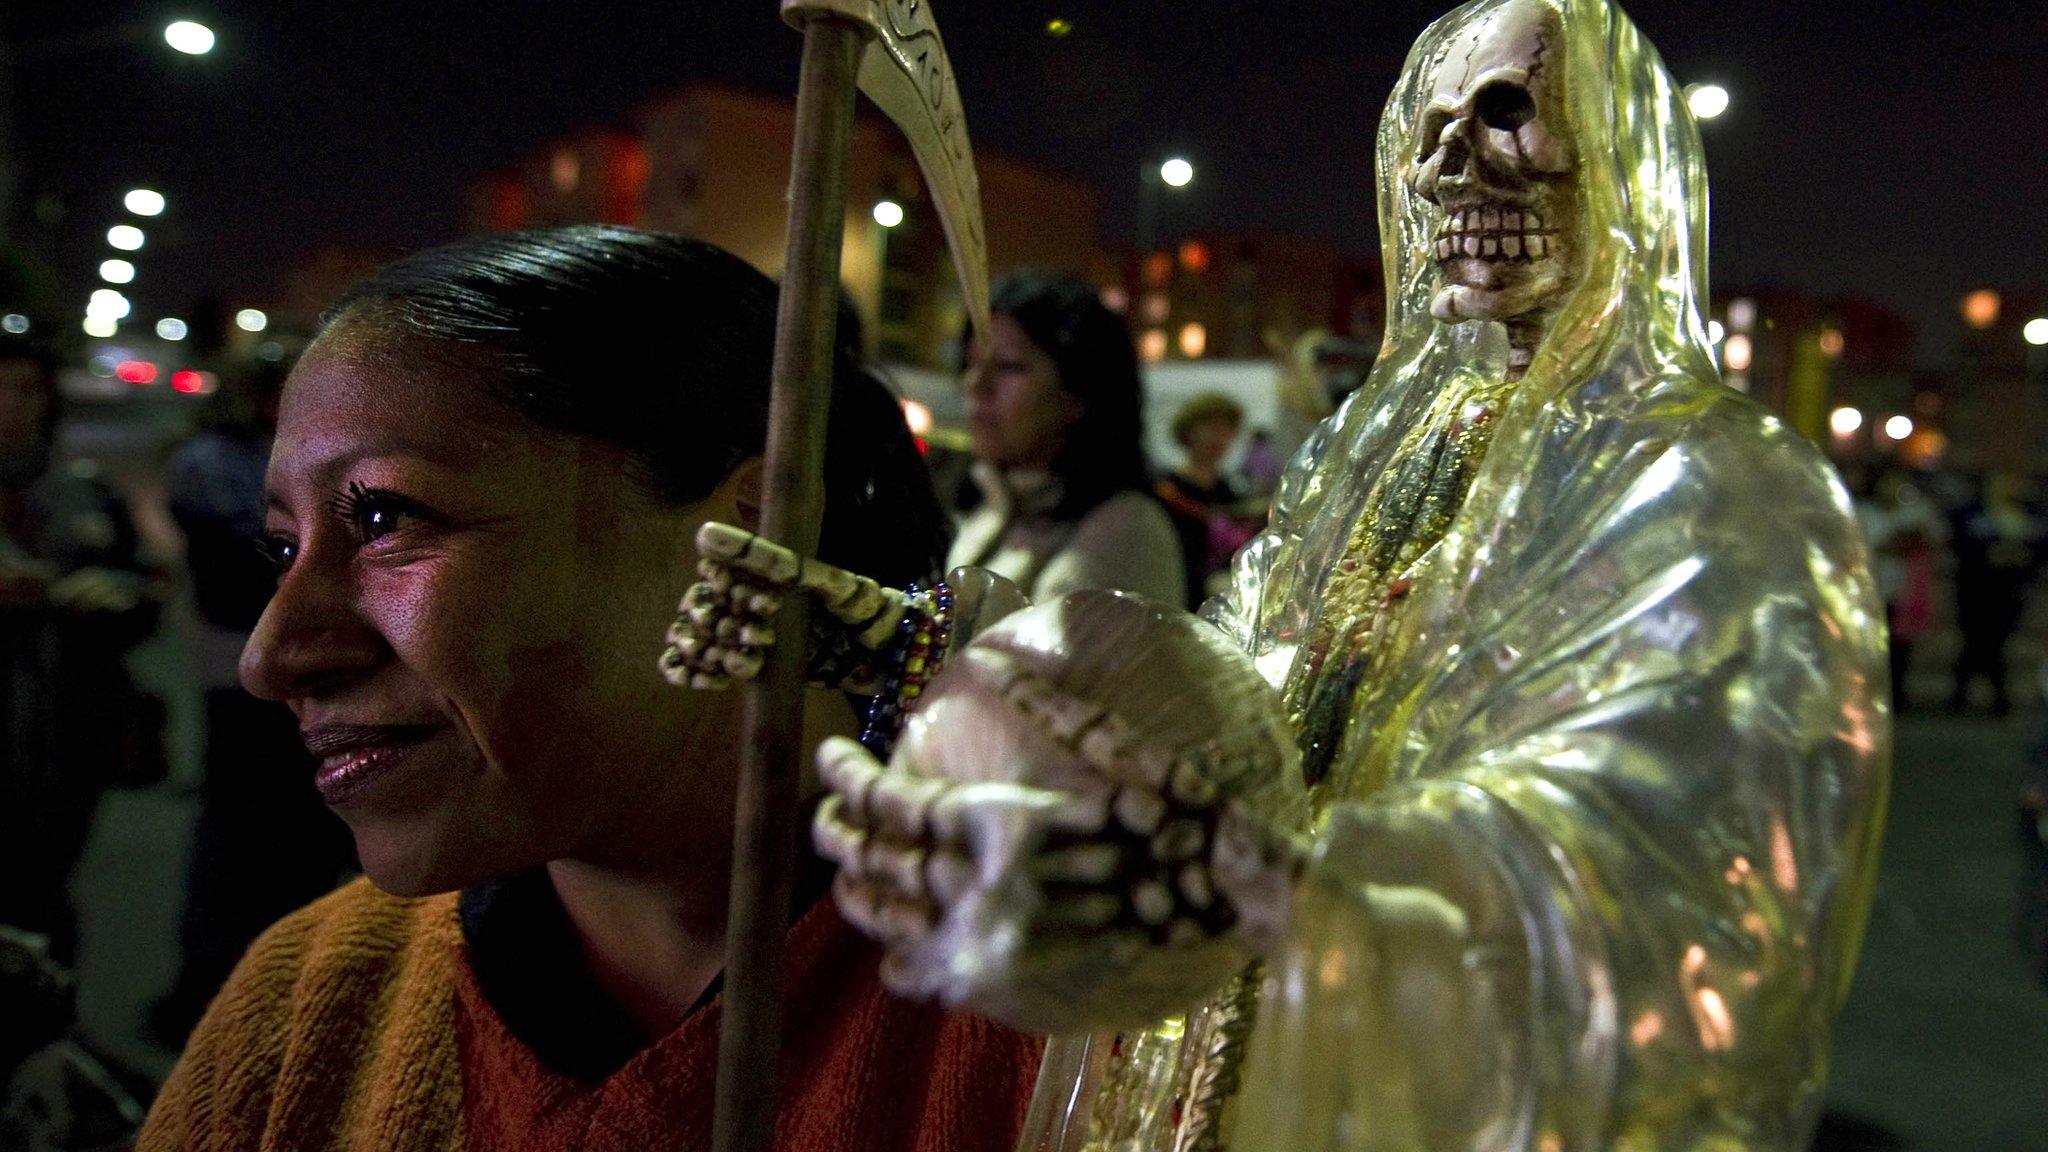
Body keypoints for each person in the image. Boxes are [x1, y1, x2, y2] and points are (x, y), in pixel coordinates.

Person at [814, 1, 1888, 1148]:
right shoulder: (1376, 446)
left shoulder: (1711, 479)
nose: (1446, 171)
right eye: (1426, 134)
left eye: (1508, 115)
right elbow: (1227, 691)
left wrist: (1296, 882)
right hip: (1215, 1071)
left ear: (1626, 162)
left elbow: (1653, 838)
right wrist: (948, 649)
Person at [138, 227, 1040, 1152]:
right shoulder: (309, 1008)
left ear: (762, 520)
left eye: (384, 517)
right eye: (283, 551)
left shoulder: (1092, 1016)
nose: (273, 656)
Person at [151, 356, 357, 1045]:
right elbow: (250, 556)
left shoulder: (278, 456)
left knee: (297, 838)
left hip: (291, 672)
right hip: (240, 674)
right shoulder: (215, 461)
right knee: (240, 842)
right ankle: (212, 1002)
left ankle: (273, 999)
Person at [0, 333, 158, 965]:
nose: (12, 405)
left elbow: (144, 596)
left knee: (45, 895)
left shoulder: (83, 491)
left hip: (66, 736)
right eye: (1, 388)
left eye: (26, 390)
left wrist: (109, 596)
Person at [949, 271, 1184, 606]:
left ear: (1078, 393)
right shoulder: (990, 507)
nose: (976, 385)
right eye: (970, 364)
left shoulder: (1127, 532)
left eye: (1008, 366)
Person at [1154, 392, 1262, 610]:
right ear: (1189, 431)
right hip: (1175, 599)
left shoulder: (1230, 492)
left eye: (1228, 430)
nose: (1220, 438)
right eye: (1212, 428)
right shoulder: (1165, 490)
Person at [1950, 472, 2043, 716]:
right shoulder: (1972, 514)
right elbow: (1960, 543)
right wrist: (1988, 554)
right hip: (1976, 590)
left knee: (1993, 642)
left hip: (2010, 591)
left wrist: (2022, 557)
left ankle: (1971, 695)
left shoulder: (2026, 516)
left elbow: (2038, 549)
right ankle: (1992, 697)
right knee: (1978, 641)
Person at [1855, 466, 1945, 712]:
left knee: (1900, 647)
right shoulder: (1865, 512)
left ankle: (1896, 695)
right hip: (1870, 590)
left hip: (1904, 591)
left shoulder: (1914, 512)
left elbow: (1934, 537)